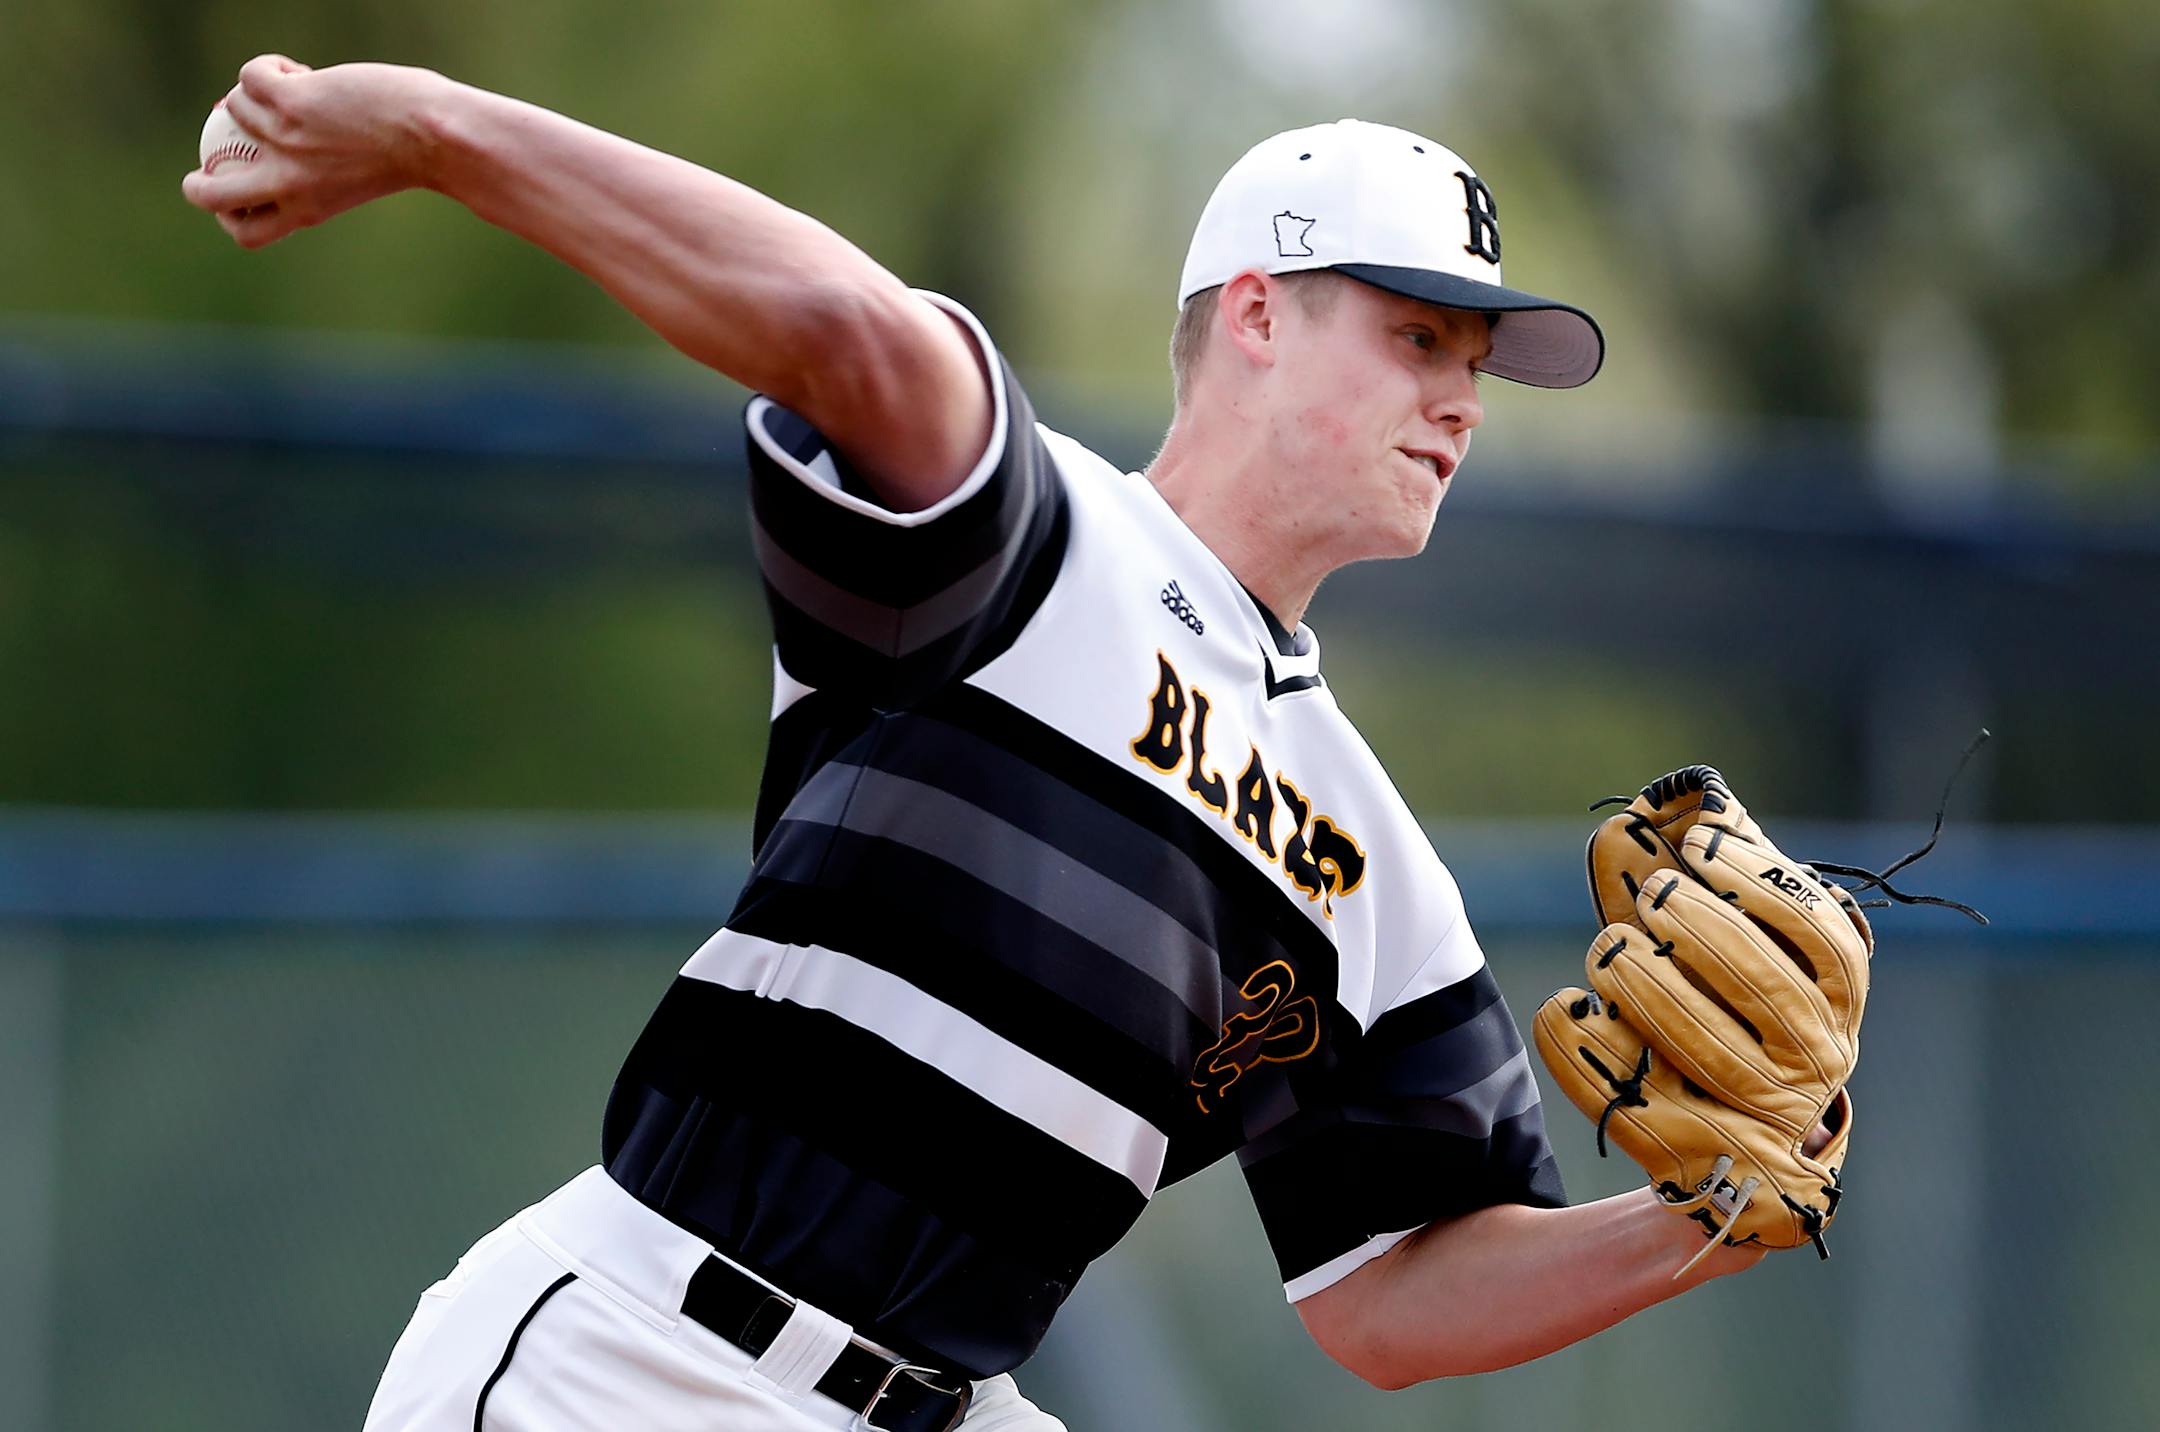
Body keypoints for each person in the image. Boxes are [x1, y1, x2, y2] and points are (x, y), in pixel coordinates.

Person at [185, 55, 1782, 1432]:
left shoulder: (1372, 865)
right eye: (1419, 336)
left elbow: (1391, 1292)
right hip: (645, 1363)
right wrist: (431, 130)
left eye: (1479, 363)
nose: (1465, 399)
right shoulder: (1031, 538)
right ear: (1255, 318)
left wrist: (1710, 1215)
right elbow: (841, 326)